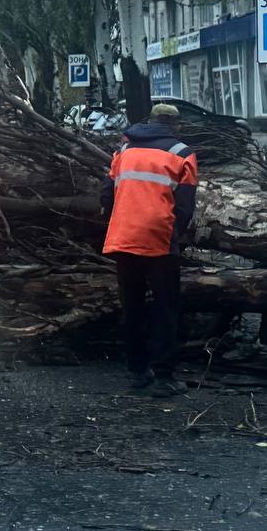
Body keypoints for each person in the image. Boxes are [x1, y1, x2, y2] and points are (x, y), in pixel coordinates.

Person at [100, 103, 198, 396]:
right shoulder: (182, 154)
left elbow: (107, 194)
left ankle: (138, 371)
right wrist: (174, 234)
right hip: (159, 239)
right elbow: (184, 208)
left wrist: (119, 222)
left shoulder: (124, 151)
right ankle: (165, 376)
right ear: (174, 125)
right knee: (165, 307)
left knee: (132, 306)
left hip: (123, 236)